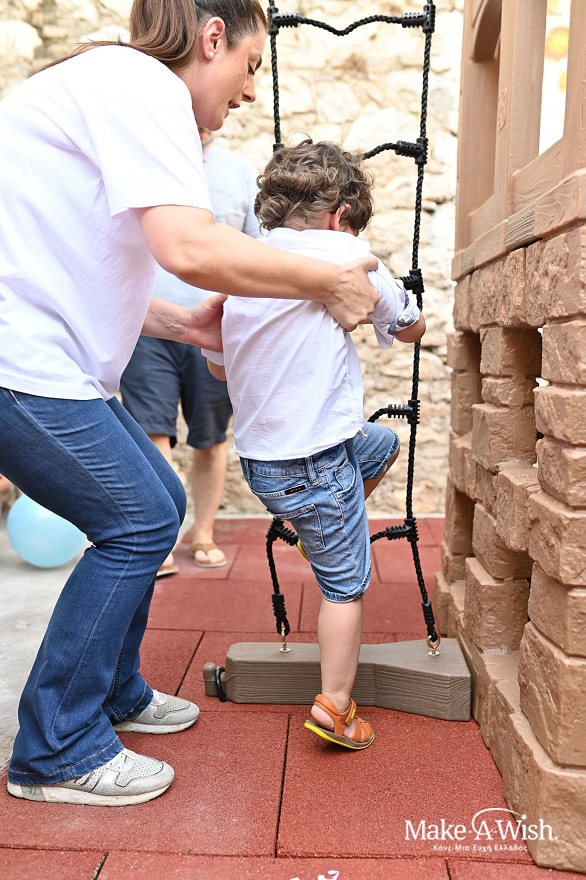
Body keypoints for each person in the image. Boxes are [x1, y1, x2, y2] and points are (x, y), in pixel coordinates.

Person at [0, 2, 381, 807]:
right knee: (137, 519)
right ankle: (56, 748)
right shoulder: (143, 85)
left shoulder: (115, 83)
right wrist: (327, 277)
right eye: (250, 66)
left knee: (160, 500)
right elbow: (190, 247)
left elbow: (68, 264)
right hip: (19, 364)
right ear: (213, 38)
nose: (250, 92)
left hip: (46, 359)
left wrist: (183, 323)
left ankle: (114, 692)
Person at [204, 139, 426, 751]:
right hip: (316, 464)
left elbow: (219, 367)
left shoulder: (244, 263)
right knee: (345, 587)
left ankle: (317, 530)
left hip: (263, 463)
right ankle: (335, 706)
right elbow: (410, 327)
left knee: (379, 444)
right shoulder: (347, 254)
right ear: (340, 216)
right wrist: (401, 304)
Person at [120, 127, 261, 574]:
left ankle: (203, 532)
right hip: (148, 325)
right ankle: (162, 538)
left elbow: (257, 249)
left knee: (211, 438)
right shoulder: (143, 162)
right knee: (150, 433)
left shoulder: (239, 172)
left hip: (216, 328)